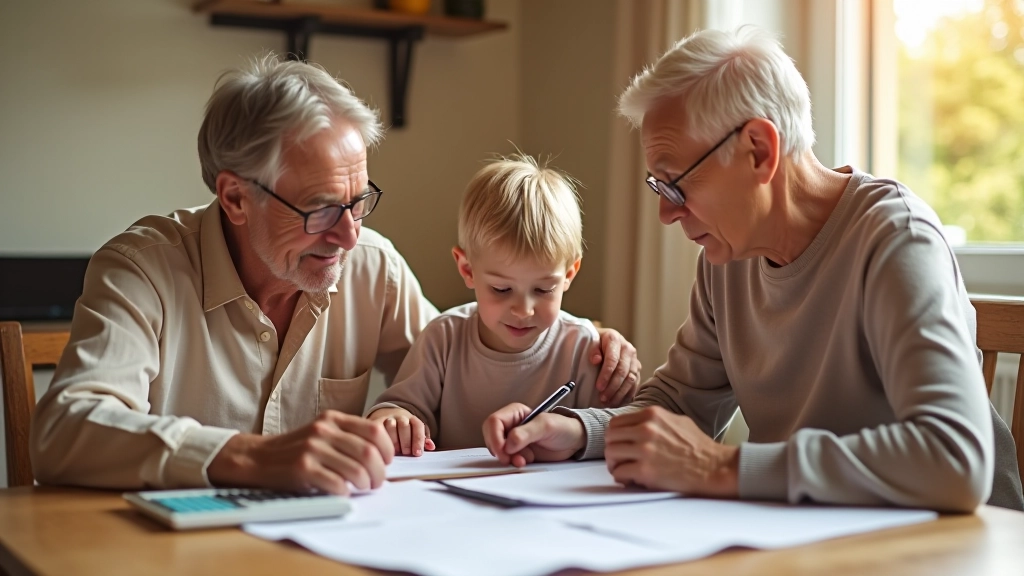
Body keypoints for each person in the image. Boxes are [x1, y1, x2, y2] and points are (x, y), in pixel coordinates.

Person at [30, 54, 640, 495]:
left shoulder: (369, 265)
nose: (349, 234)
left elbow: (474, 356)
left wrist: (589, 343)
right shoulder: (142, 269)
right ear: (236, 198)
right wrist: (250, 457)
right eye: (321, 209)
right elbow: (64, 431)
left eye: (358, 201)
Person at [483, 27, 1023, 512]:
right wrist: (575, 430)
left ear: (759, 150)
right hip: (821, 536)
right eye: (657, 187)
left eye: (675, 184)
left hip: (953, 549)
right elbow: (680, 405)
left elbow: (955, 458)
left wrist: (718, 468)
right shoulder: (728, 258)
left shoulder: (897, 241)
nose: (666, 213)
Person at [365, 155, 634, 455]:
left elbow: (622, 431)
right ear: (467, 270)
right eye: (502, 289)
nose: (523, 310)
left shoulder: (585, 349)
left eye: (544, 289)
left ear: (569, 274)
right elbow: (398, 408)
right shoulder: (443, 339)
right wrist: (395, 419)